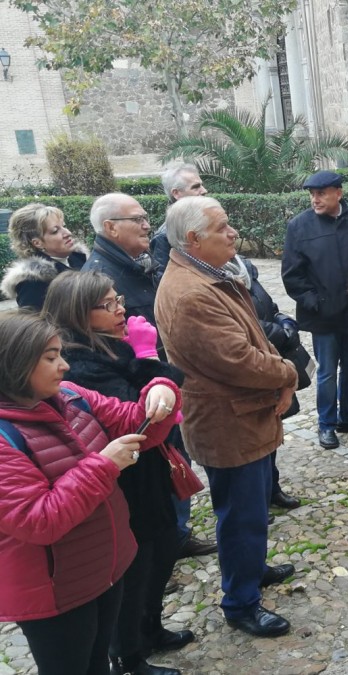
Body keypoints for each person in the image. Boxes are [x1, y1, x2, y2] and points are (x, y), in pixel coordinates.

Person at [0, 312, 179, 675]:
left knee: (98, 661)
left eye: (60, 353)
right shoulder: (6, 436)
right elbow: (38, 520)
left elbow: (132, 420)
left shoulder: (69, 396)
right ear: (14, 362)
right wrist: (104, 465)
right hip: (55, 591)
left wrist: (162, 390)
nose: (64, 365)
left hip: (105, 566)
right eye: (50, 357)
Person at [155, 196, 298, 638]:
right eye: (223, 228)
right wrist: (288, 372)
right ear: (194, 239)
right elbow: (238, 358)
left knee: (250, 512)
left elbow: (253, 334)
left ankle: (250, 571)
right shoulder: (192, 294)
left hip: (241, 416)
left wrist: (279, 368)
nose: (233, 233)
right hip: (227, 421)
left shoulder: (206, 276)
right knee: (239, 517)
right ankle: (241, 602)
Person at [42, 272, 194, 675]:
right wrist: (151, 366)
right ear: (79, 313)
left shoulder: (109, 345)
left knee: (161, 555)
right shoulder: (80, 363)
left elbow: (156, 395)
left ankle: (151, 629)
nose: (120, 308)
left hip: (146, 473)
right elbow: (136, 416)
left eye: (118, 299)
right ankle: (130, 654)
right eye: (108, 305)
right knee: (135, 570)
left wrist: (155, 373)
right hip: (122, 480)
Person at [84, 193, 218, 561]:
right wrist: (148, 362)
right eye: (137, 219)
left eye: (146, 218)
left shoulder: (136, 263)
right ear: (110, 227)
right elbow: (112, 353)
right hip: (141, 394)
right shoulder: (101, 275)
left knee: (172, 462)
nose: (147, 224)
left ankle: (174, 537)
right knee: (153, 474)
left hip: (161, 385)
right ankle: (159, 549)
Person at [281, 170, 348, 450]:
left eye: (321, 193)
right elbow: (292, 275)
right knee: (326, 373)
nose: (315, 199)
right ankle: (327, 424)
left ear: (338, 193)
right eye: (312, 194)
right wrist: (315, 302)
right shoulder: (299, 226)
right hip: (323, 316)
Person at [223, 255, 304, 511]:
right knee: (252, 442)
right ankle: (255, 501)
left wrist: (285, 321)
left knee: (271, 432)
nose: (231, 235)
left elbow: (269, 305)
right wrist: (278, 331)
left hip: (271, 361)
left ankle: (272, 489)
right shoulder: (216, 282)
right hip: (253, 367)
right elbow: (245, 326)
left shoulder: (246, 271)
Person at [1, 203, 89, 311]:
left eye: (64, 226)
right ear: (37, 243)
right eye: (55, 231)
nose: (68, 233)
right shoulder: (32, 282)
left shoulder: (79, 258)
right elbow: (35, 325)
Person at [150, 164, 208, 272]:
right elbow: (163, 283)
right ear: (176, 193)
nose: (204, 190)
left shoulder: (209, 221)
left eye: (202, 185)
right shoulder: (163, 237)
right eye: (196, 187)